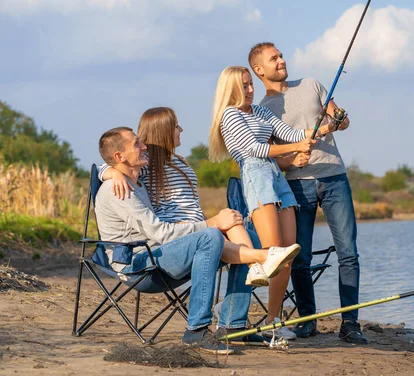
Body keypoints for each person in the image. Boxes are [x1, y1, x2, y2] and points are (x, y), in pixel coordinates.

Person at [95, 126, 299, 353]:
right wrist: (212, 223)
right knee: (210, 236)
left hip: (158, 256)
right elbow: (161, 233)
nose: (144, 146)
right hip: (138, 267)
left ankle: (232, 325)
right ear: (119, 157)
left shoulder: (136, 182)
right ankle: (196, 330)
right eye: (136, 144)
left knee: (249, 236)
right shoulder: (118, 190)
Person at [248, 42, 368, 344]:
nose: (281, 60)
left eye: (281, 55)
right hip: (297, 184)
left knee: (348, 253)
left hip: (334, 177)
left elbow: (341, 120)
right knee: (298, 257)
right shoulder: (262, 109)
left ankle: (350, 323)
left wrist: (338, 120)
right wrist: (292, 159)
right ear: (259, 69)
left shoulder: (312, 84)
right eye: (274, 58)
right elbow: (272, 156)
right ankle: (306, 320)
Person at [208, 66, 335, 340]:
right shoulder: (229, 116)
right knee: (273, 252)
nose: (251, 90)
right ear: (231, 89)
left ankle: (272, 320)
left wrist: (322, 129)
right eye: (245, 85)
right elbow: (255, 149)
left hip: (277, 176)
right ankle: (227, 309)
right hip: (256, 174)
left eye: (251, 84)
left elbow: (289, 134)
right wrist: (294, 149)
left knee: (287, 255)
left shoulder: (259, 112)